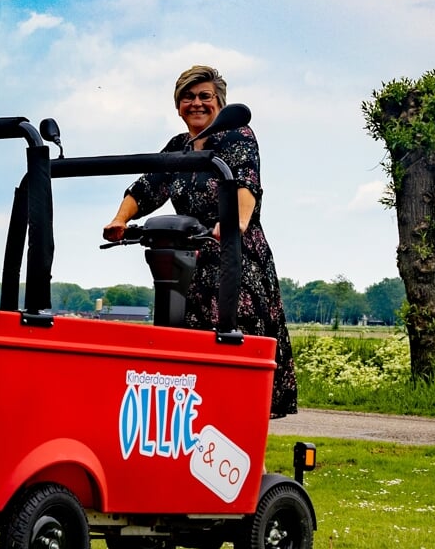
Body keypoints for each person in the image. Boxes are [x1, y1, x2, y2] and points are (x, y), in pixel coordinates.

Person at [102, 64, 297, 417]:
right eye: (188, 97)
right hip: (189, 265)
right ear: (178, 105)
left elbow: (245, 181)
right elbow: (149, 184)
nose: (197, 103)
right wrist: (120, 219)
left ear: (219, 102)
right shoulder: (181, 146)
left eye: (205, 96)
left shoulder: (237, 136)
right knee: (188, 367)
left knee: (232, 359)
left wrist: (234, 222)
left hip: (233, 261)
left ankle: (249, 458)